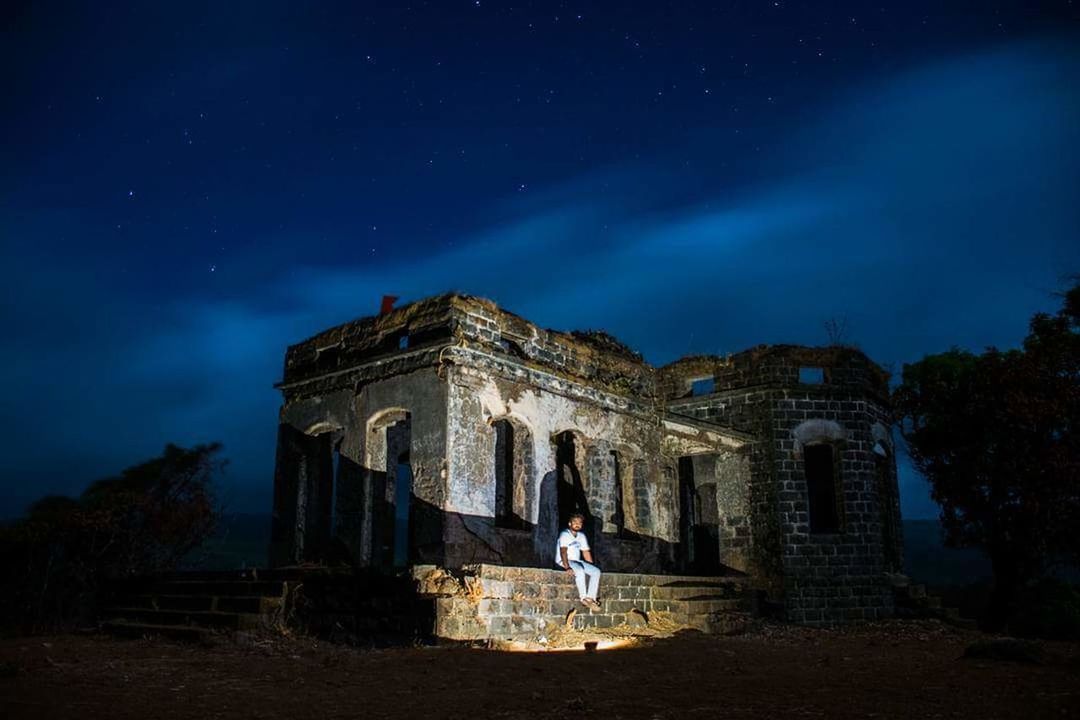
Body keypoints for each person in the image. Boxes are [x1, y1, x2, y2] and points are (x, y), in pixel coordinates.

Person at [556, 513, 601, 609]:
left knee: (596, 572)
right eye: (575, 522)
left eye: (579, 523)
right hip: (564, 560)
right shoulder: (564, 534)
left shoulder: (581, 536)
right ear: (569, 524)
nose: (577, 524)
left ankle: (590, 598)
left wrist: (590, 566)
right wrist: (567, 567)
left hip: (577, 561)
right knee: (579, 570)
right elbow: (563, 551)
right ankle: (583, 598)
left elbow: (586, 552)